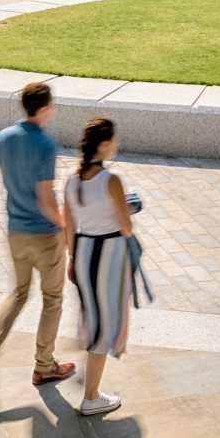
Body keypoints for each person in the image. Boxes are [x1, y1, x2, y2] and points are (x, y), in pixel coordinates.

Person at [0, 81, 76, 393]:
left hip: (15, 232)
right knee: (52, 300)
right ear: (46, 108)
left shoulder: (3, 138)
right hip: (43, 237)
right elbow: (46, 198)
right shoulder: (46, 145)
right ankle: (44, 366)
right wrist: (64, 226)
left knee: (18, 294)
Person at [62, 116, 136, 416]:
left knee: (93, 318)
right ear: (104, 144)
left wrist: (72, 258)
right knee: (105, 327)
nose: (116, 145)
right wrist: (129, 207)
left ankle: (90, 380)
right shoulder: (111, 180)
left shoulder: (71, 180)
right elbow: (126, 227)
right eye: (114, 140)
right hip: (110, 253)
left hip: (83, 253)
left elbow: (69, 224)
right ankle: (91, 396)